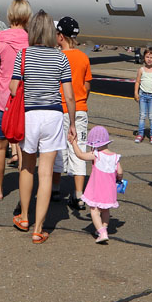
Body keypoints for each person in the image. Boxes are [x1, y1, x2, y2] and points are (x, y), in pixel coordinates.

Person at [9, 10, 76, 244]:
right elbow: (69, 96)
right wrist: (73, 123)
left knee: (27, 166)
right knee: (46, 172)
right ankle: (39, 228)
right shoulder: (61, 58)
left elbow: (13, 87)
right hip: (53, 115)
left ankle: (24, 216)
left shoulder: (23, 55)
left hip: (29, 115)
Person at [0, 0, 31, 202]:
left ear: (10, 15)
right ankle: (25, 191)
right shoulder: (31, 40)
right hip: (24, 101)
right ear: (27, 16)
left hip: (1, 99)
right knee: (24, 147)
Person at [55, 16, 92, 208]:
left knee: (57, 149)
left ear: (60, 36)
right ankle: (79, 195)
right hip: (80, 109)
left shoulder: (57, 57)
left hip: (60, 108)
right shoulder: (83, 57)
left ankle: (54, 188)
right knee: (79, 149)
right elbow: (86, 86)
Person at [68, 125, 123, 244]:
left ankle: (101, 232)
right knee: (106, 211)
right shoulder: (115, 157)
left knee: (94, 210)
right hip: (110, 190)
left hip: (97, 189)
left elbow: (81, 156)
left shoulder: (96, 155)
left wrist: (74, 144)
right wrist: (119, 179)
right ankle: (104, 229)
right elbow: (120, 172)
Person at [133, 48, 152, 144]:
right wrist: (136, 93)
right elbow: (137, 82)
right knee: (142, 116)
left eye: (151, 57)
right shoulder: (141, 70)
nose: (149, 59)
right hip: (143, 95)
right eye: (147, 57)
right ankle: (140, 134)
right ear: (144, 58)